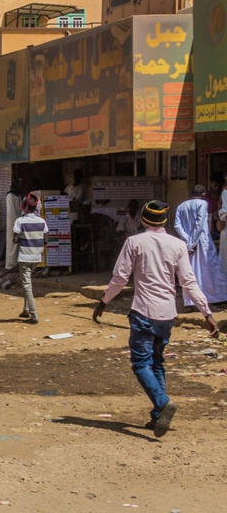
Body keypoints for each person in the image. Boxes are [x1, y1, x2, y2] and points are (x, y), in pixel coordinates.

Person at [93, 201, 218, 437]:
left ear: (143, 220)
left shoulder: (134, 242)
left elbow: (120, 278)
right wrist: (207, 313)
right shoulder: (178, 245)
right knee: (157, 363)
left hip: (143, 312)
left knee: (141, 364)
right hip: (167, 315)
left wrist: (103, 302)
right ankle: (158, 416)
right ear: (164, 221)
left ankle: (162, 403)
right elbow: (188, 283)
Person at [173, 185, 227, 307]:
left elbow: (177, 225)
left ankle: (191, 300)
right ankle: (214, 297)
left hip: (187, 243)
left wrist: (187, 240)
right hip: (202, 242)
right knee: (209, 268)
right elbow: (200, 223)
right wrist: (193, 241)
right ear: (203, 194)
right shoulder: (203, 204)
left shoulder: (181, 206)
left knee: (191, 270)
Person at [12, 193, 47, 325]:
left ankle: (34, 313)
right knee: (29, 281)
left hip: (24, 256)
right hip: (37, 257)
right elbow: (46, 240)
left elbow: (15, 240)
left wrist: (23, 237)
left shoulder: (20, 221)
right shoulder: (42, 221)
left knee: (26, 285)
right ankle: (26, 309)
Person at [5, 180, 21, 270]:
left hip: (18, 223)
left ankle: (16, 264)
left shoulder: (18, 195)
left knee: (17, 244)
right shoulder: (10, 196)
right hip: (13, 224)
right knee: (12, 244)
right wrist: (17, 223)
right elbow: (11, 212)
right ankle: (10, 265)